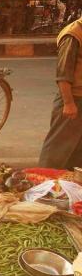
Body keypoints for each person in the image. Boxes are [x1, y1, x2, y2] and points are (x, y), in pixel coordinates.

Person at [39, 17, 82, 169]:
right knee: (56, 150)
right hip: (73, 98)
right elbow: (63, 73)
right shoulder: (73, 34)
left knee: (76, 152)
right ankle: (44, 184)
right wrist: (68, 103)